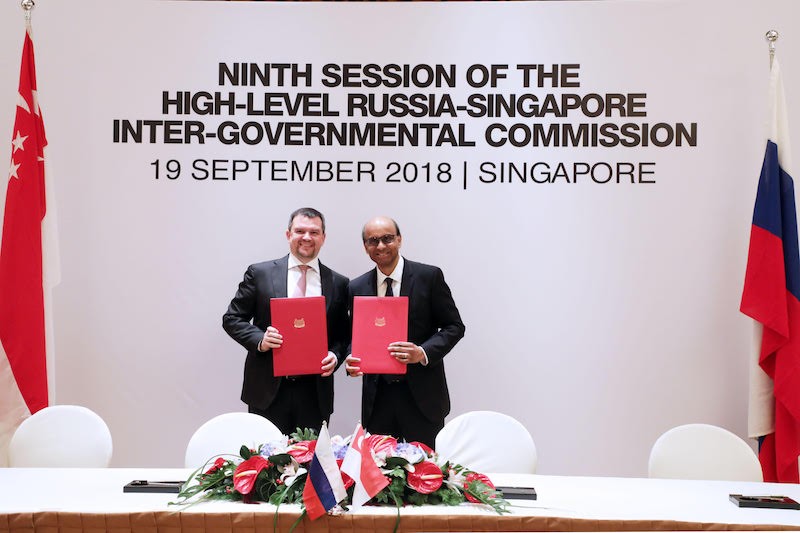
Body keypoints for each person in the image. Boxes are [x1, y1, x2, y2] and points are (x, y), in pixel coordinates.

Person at [222, 207, 349, 435]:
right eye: (300, 231)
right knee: (265, 466)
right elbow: (232, 318)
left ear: (323, 237)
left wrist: (335, 355)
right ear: (288, 234)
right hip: (268, 391)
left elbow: (343, 335)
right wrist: (260, 339)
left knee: (310, 466)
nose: (307, 237)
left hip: (315, 393)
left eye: (314, 232)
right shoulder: (259, 273)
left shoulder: (338, 282)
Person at [346, 216, 465, 447]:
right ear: (365, 247)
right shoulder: (356, 287)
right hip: (378, 400)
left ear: (399, 240)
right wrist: (352, 357)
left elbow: (454, 326)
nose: (380, 246)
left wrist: (422, 352)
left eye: (387, 238)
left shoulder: (429, 277)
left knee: (428, 475)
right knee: (381, 477)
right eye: (373, 240)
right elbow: (355, 335)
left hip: (423, 398)